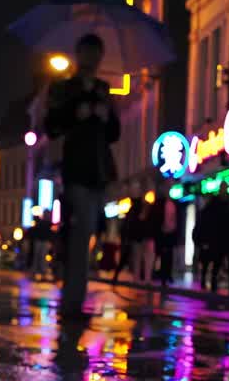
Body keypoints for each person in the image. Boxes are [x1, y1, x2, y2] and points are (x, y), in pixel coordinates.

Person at [43, 33, 120, 322]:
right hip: (76, 170)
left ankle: (74, 299)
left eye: (97, 54)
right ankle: (72, 303)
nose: (93, 59)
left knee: (88, 237)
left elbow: (114, 133)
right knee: (79, 235)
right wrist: (77, 112)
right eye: (88, 53)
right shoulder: (64, 88)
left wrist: (105, 115)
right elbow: (51, 126)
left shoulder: (103, 89)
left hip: (98, 172)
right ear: (79, 55)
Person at [202, 193, 229, 295]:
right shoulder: (226, 208)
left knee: (222, 263)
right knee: (223, 263)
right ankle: (228, 285)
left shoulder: (220, 209)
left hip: (222, 240)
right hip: (223, 240)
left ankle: (225, 285)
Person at [112, 198, 147, 283]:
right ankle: (136, 277)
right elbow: (131, 227)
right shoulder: (135, 214)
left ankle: (135, 276)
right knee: (132, 258)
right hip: (133, 239)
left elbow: (126, 227)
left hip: (131, 239)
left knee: (128, 258)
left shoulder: (131, 213)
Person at [30, 211, 55, 280]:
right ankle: (37, 272)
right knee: (38, 256)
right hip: (40, 241)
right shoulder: (42, 223)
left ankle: (41, 272)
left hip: (43, 242)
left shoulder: (48, 224)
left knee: (42, 257)